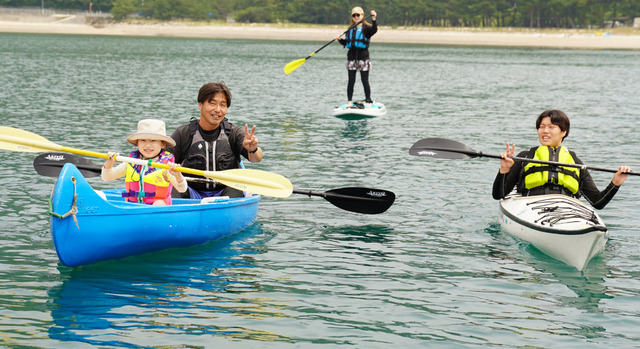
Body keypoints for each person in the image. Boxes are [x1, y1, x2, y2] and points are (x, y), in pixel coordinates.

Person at [492, 109, 631, 209]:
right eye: (541, 127)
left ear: (563, 132)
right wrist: (504, 170)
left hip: (567, 209)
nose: (545, 131)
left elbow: (597, 202)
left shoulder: (575, 162)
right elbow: (499, 194)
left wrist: (615, 183)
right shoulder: (525, 157)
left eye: (551, 127)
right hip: (532, 207)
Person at [166, 81, 262, 199]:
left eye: (223, 105)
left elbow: (256, 158)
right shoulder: (183, 134)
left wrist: (252, 149)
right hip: (191, 193)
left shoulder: (233, 132)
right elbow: (163, 161)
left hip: (225, 194)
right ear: (200, 105)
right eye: (212, 103)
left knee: (237, 187)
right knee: (172, 187)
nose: (218, 110)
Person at [101, 118, 187, 205]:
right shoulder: (130, 162)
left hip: (157, 211)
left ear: (162, 144)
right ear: (137, 142)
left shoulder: (165, 167)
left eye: (153, 140)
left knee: (159, 203)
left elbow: (182, 189)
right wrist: (109, 163)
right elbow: (107, 177)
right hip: (133, 208)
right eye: (143, 140)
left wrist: (178, 175)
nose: (148, 145)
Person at [337, 6, 378, 107]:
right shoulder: (350, 29)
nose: (356, 17)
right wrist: (340, 40)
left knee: (365, 81)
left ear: (362, 16)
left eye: (358, 15)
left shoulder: (367, 28)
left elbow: (374, 30)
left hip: (363, 58)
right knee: (351, 81)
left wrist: (373, 19)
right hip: (351, 58)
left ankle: (368, 101)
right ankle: (349, 102)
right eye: (354, 15)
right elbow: (347, 43)